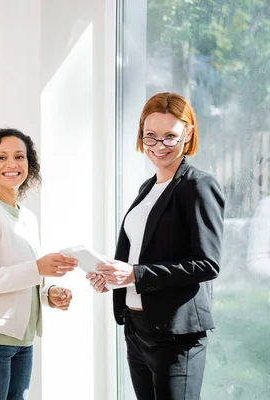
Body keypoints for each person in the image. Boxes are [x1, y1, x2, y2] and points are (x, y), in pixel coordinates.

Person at [87, 92, 225, 400]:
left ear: (188, 133)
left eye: (169, 137)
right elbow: (141, 252)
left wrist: (135, 275)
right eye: (150, 137)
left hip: (175, 334)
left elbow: (207, 264)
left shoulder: (197, 185)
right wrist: (113, 275)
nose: (158, 146)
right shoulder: (147, 187)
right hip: (137, 326)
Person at [0, 128, 77, 399]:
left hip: (21, 340)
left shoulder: (27, 217)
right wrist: (38, 268)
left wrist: (48, 294)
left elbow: (19, 273)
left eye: (19, 157)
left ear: (28, 164)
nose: (11, 164)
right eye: (1, 157)